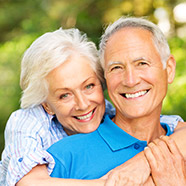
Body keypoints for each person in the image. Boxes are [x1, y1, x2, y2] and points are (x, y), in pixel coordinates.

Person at [0, 24, 184, 186]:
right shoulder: (57, 156)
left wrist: (143, 163)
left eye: (88, 86)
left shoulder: (177, 136)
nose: (130, 80)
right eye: (117, 67)